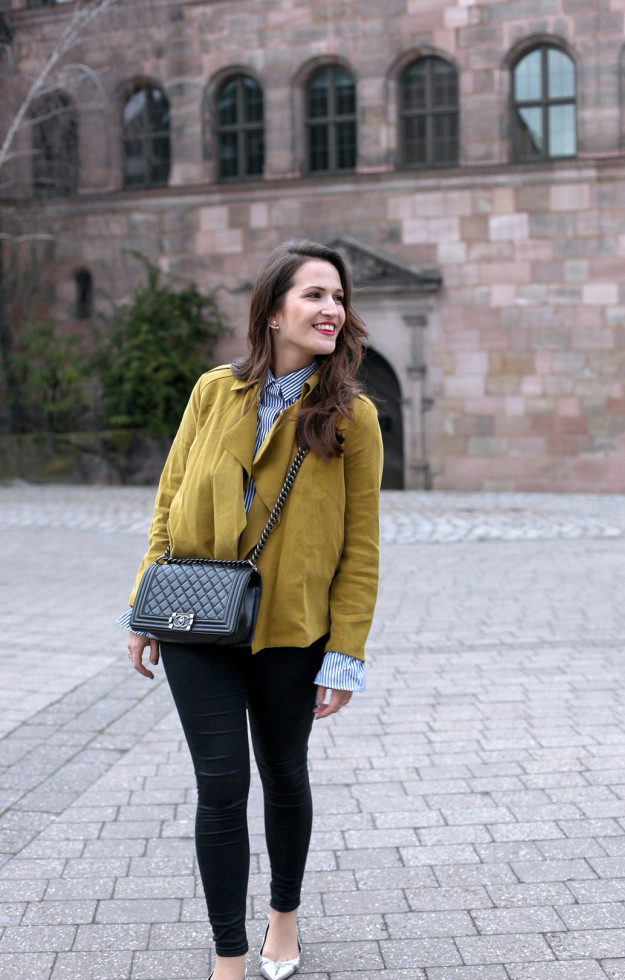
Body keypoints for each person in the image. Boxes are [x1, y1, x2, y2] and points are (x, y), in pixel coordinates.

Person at [123, 240, 383, 980]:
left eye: (338, 297)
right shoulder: (213, 391)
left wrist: (347, 652)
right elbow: (169, 500)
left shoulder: (351, 417)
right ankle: (227, 957)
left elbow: (360, 548)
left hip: (292, 631)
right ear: (272, 312)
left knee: (284, 773)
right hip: (197, 621)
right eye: (314, 295)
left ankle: (284, 919)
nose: (332, 309)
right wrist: (144, 605)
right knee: (220, 784)